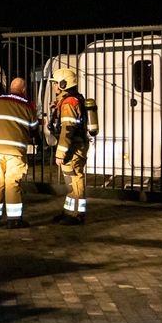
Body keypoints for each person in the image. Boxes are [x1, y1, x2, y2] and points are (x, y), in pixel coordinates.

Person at [0, 78, 40, 229]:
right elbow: (34, 128)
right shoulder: (28, 107)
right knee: (12, 184)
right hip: (15, 152)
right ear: (24, 90)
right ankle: (13, 220)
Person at [51, 68, 90, 225]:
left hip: (73, 148)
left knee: (75, 180)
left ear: (63, 84)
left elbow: (67, 129)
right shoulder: (72, 100)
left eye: (55, 83)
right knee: (71, 183)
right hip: (74, 146)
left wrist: (60, 153)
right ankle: (69, 211)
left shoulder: (69, 102)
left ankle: (77, 214)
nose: (53, 86)